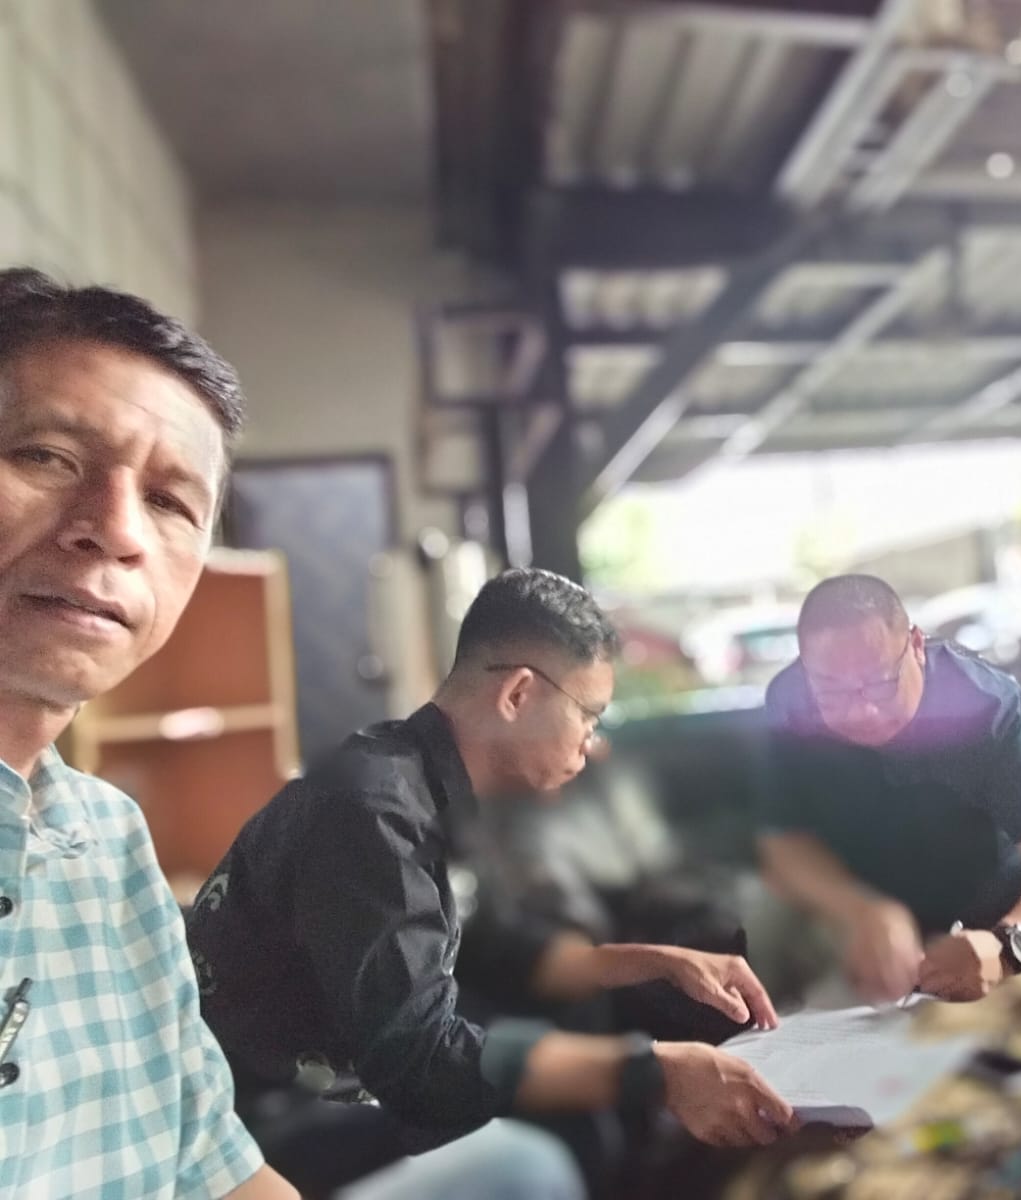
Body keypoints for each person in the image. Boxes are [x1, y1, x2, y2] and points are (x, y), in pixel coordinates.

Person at [187, 568, 797, 1197]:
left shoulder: (432, 786)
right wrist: (656, 1071)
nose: (594, 744)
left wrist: (661, 963)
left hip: (347, 1090)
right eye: (588, 716)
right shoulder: (372, 811)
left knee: (586, 1099)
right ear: (519, 695)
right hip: (260, 1132)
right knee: (542, 1159)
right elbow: (420, 1061)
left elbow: (508, 952)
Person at [0, 268, 294, 1197]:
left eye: (171, 502)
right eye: (47, 456)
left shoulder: (107, 836)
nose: (117, 531)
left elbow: (214, 1164)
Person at [758, 574, 1021, 1005]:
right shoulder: (790, 703)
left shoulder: (980, 706)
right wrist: (859, 909)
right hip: (862, 925)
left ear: (917, 645)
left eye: (880, 682)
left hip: (988, 924)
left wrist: (1008, 946)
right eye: (831, 690)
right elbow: (784, 845)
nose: (862, 710)